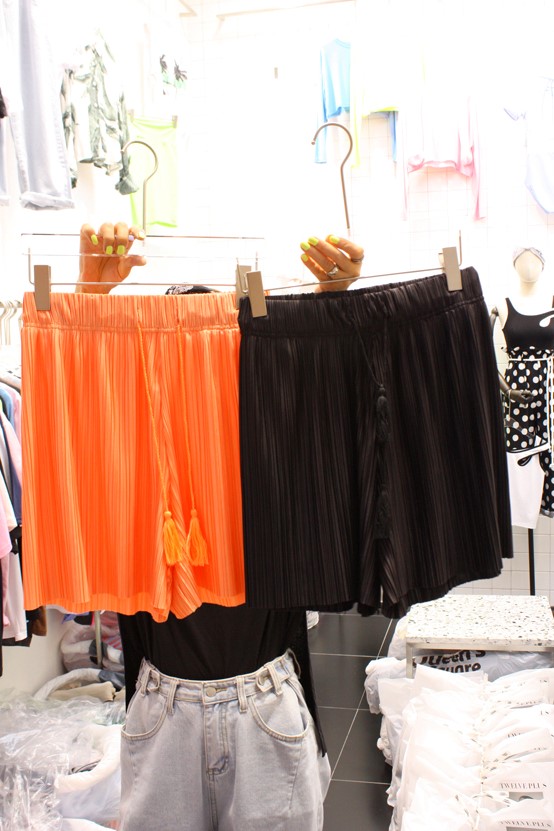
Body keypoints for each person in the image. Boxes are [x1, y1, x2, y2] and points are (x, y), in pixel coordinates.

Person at [77, 221, 365, 831]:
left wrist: (332, 304)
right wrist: (90, 295)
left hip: (265, 702)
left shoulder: (268, 453)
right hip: (163, 709)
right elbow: (81, 419)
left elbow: (328, 413)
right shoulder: (136, 460)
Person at [491, 247, 554, 528]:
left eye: (535, 260)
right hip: (517, 393)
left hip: (550, 391)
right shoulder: (501, 306)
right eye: (523, 260)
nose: (529, 266)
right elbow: (483, 354)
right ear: (514, 264)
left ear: (543, 265)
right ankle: (521, 511)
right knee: (520, 454)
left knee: (550, 453)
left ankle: (547, 502)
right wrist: (507, 391)